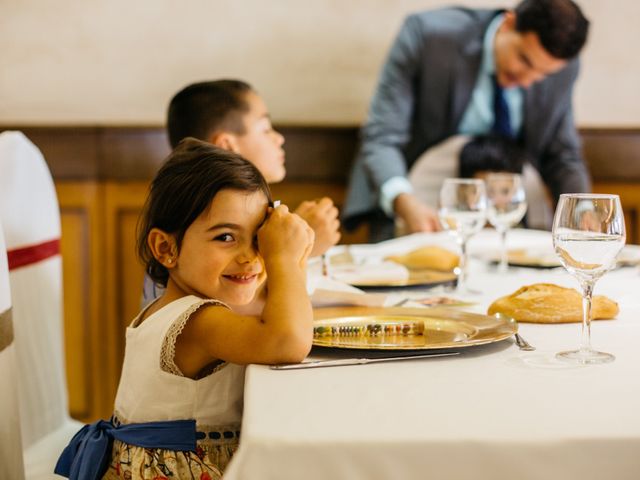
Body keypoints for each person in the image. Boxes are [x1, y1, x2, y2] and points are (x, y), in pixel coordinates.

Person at [55, 139, 314, 480]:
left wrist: (289, 257)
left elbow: (273, 308)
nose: (250, 256)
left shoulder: (180, 305)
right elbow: (287, 342)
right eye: (225, 237)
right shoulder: (198, 321)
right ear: (166, 248)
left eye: (259, 239)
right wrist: (284, 258)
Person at [343, 0, 590, 241]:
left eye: (543, 75)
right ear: (508, 23)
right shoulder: (429, 36)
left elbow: (563, 154)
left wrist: (581, 210)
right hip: (412, 207)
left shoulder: (565, 68)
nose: (527, 81)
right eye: (524, 60)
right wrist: (403, 200)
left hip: (507, 226)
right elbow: (382, 136)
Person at [167, 79, 340, 255]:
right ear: (227, 146)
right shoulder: (201, 218)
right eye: (265, 129)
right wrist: (297, 247)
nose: (279, 138)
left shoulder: (249, 208)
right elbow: (237, 279)